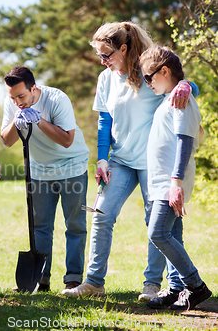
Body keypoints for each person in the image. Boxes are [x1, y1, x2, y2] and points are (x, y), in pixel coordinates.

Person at [62, 22, 195, 299]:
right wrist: (101, 159)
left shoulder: (149, 72)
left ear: (124, 49)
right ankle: (94, 282)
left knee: (155, 224)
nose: (102, 60)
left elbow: (181, 85)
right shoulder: (105, 78)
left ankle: (152, 285)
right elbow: (104, 120)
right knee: (101, 216)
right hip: (120, 160)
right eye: (99, 55)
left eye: (106, 54)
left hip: (153, 162)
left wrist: (186, 84)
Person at [1, 65, 90, 291]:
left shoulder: (57, 99)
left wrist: (39, 120)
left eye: (22, 96)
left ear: (34, 88)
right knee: (40, 226)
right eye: (13, 98)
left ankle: (73, 279)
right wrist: (16, 120)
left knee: (75, 225)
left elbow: (67, 140)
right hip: (39, 170)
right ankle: (41, 279)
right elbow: (7, 140)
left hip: (72, 166)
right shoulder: (13, 102)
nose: (18, 102)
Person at [140, 46, 211, 310]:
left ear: (164, 71)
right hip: (162, 183)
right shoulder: (170, 96)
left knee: (157, 232)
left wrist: (176, 183)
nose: (147, 83)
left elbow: (185, 141)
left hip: (171, 183)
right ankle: (176, 288)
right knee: (173, 235)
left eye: (149, 77)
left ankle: (195, 286)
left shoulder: (181, 99)